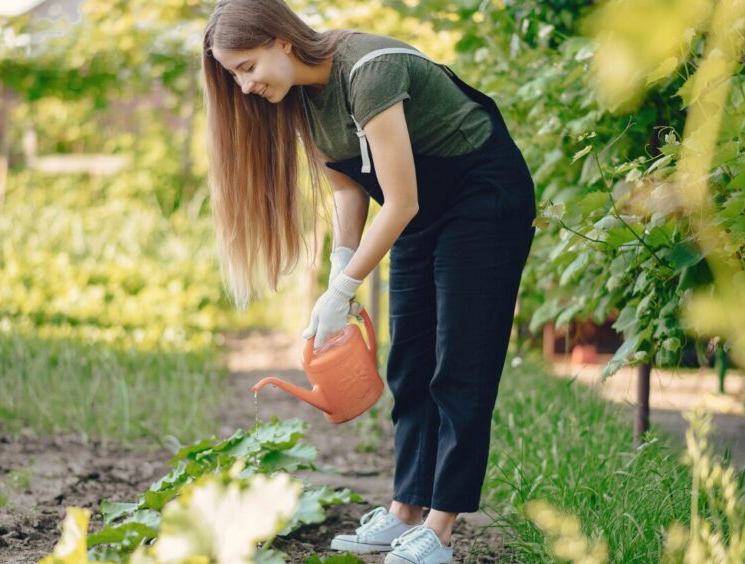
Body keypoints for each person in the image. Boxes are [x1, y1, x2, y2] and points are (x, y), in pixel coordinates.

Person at [202, 1, 536, 562]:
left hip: (484, 196)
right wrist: (340, 268)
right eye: (233, 74)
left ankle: (441, 527)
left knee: (460, 363)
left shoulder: (366, 68)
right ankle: (406, 509)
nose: (244, 85)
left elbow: (399, 199)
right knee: (409, 361)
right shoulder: (297, 101)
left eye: (247, 66)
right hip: (420, 211)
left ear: (283, 41)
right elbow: (349, 190)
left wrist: (344, 289)